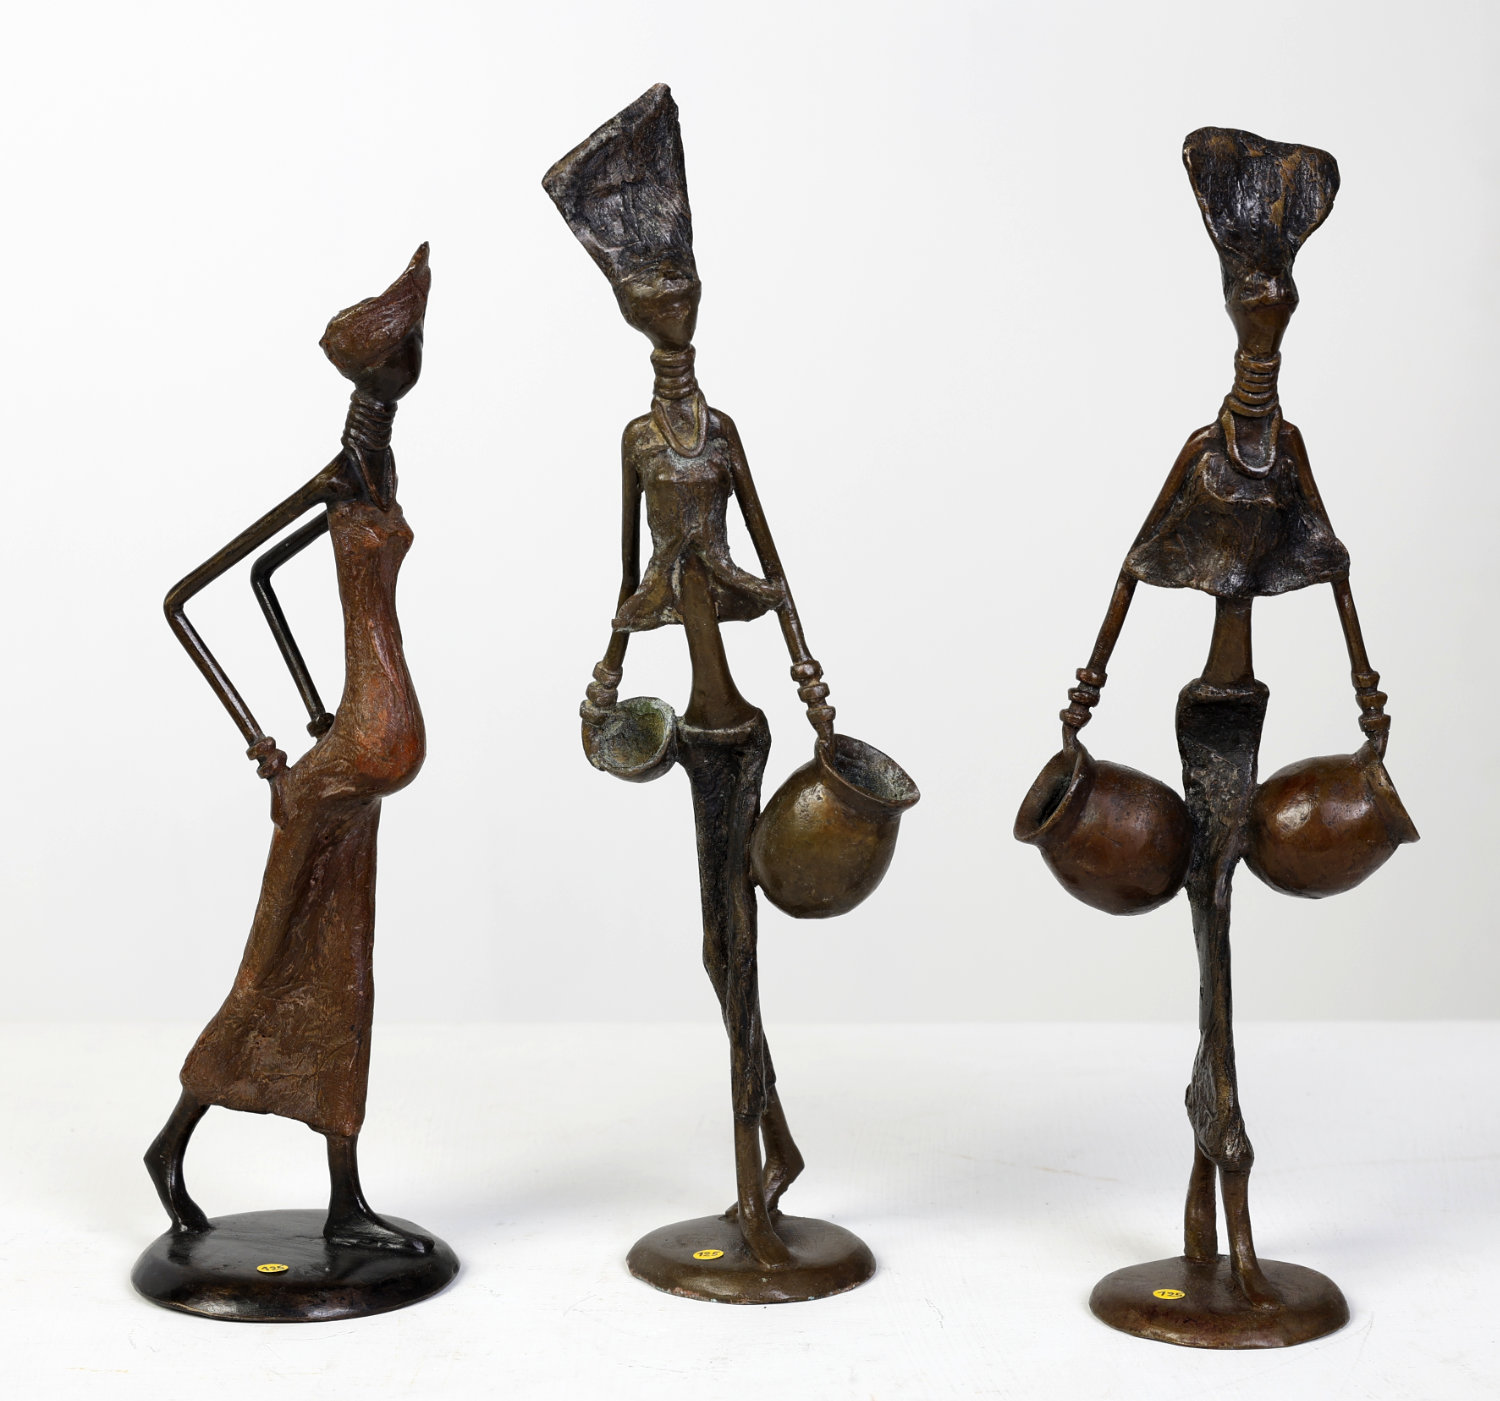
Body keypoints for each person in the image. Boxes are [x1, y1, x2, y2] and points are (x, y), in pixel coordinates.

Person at [144, 246, 435, 1254]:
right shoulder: (342, 472)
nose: (414, 362)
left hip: (361, 757)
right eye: (405, 349)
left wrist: (319, 708)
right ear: (375, 368)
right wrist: (272, 751)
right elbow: (192, 598)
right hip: (343, 766)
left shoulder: (378, 467)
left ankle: (346, 1198)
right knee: (270, 969)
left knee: (344, 978)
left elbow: (275, 584)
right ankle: (170, 1144)